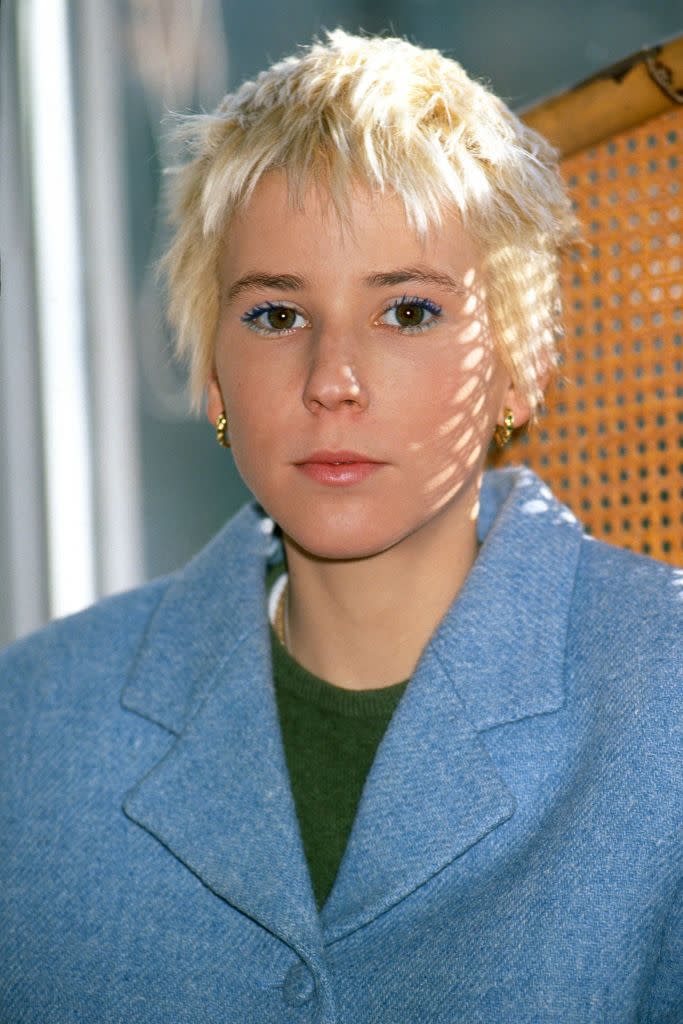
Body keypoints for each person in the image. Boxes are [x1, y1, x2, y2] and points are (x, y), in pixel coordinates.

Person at [1, 29, 681, 1024]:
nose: (331, 381)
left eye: (405, 311)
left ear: (521, 362)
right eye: (276, 316)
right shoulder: (29, 725)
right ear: (211, 373)